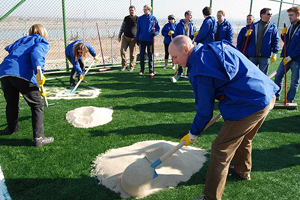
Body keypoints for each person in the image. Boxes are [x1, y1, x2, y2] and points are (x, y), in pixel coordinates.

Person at [168, 35, 278, 200]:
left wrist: (193, 133)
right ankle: (242, 171)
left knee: (220, 148)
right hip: (266, 95)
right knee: (245, 138)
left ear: (186, 49)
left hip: (250, 104)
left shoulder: (199, 69)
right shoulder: (215, 46)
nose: (174, 62)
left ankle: (210, 197)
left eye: (175, 57)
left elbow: (205, 111)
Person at [0, 24, 54, 147]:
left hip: (4, 73)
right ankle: (39, 138)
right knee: (37, 105)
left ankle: (11, 129)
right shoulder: (41, 41)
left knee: (11, 103)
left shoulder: (21, 41)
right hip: (21, 74)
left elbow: (10, 49)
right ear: (43, 33)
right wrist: (39, 72)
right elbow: (36, 54)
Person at [274, 6, 300, 103]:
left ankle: (289, 99)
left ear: (298, 14)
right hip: (286, 56)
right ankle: (276, 95)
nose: (289, 17)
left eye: (291, 15)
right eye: (289, 15)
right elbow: (288, 42)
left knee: (294, 81)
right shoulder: (291, 26)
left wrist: (291, 56)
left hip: (296, 59)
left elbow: (299, 46)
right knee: (278, 75)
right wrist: (283, 35)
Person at [247, 8, 279, 75]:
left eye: (271, 14)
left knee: (262, 75)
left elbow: (275, 40)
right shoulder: (254, 26)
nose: (270, 16)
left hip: (265, 56)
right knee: (250, 74)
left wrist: (275, 53)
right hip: (253, 55)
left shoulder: (273, 27)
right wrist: (246, 35)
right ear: (262, 15)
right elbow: (247, 40)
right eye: (268, 14)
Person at [136, 4, 160, 77]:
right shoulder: (140, 18)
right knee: (142, 55)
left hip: (150, 40)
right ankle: (142, 70)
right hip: (142, 40)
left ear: (149, 10)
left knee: (150, 55)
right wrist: (137, 39)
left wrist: (155, 33)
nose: (144, 10)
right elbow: (138, 29)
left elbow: (158, 28)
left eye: (145, 9)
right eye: (143, 9)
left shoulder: (153, 18)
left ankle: (151, 69)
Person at [173, 10, 197, 82]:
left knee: (190, 58)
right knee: (181, 57)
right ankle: (180, 72)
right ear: (186, 15)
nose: (191, 17)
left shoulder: (192, 24)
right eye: (190, 15)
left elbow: (194, 32)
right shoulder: (179, 24)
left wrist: (195, 35)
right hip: (181, 44)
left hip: (190, 44)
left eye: (191, 15)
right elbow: (176, 34)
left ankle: (188, 72)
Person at [118, 5, 138, 72]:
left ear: (135, 11)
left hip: (133, 39)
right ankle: (124, 66)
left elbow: (139, 29)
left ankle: (131, 67)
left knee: (132, 54)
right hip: (125, 38)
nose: (131, 11)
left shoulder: (137, 19)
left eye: (132, 10)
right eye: (130, 10)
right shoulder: (126, 18)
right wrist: (119, 36)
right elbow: (122, 27)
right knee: (122, 51)